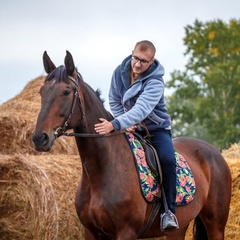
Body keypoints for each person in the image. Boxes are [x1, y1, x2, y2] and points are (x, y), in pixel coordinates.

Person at [94, 40, 179, 231]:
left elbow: (142, 109)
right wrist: (124, 123)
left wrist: (115, 124)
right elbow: (114, 100)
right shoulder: (119, 72)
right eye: (135, 58)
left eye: (143, 61)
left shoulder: (156, 82)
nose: (137, 64)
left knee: (167, 159)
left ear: (152, 61)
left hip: (155, 130)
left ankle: (168, 212)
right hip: (127, 126)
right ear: (131, 53)